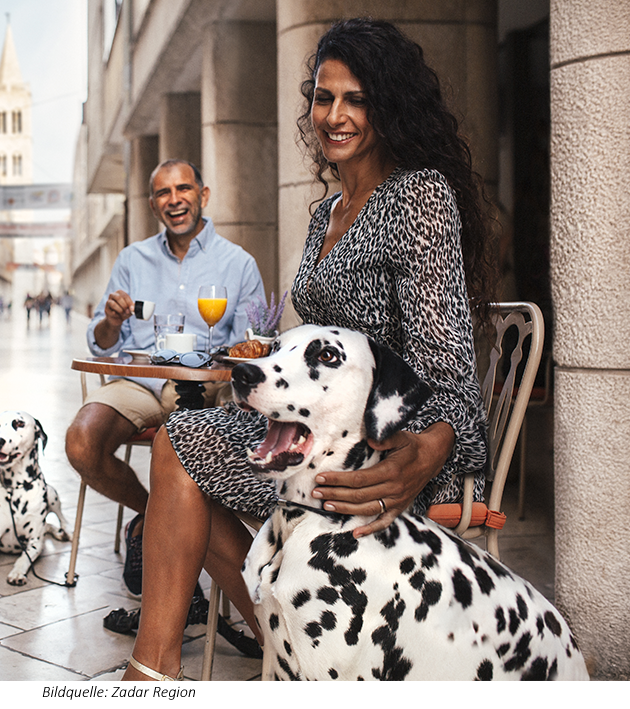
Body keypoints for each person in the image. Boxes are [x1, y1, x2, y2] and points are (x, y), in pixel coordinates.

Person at [121, 18, 497, 681]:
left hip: (383, 449)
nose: (336, 114)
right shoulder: (326, 212)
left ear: (388, 104)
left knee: (180, 456)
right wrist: (268, 352)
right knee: (176, 444)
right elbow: (322, 341)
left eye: (356, 98)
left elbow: (452, 382)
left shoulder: (418, 197)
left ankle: (210, 654)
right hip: (307, 433)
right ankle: (172, 664)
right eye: (324, 98)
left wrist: (427, 451)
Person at [65, 159, 264, 599]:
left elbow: (248, 348)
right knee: (82, 442)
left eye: (183, 189)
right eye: (163, 193)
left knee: (172, 448)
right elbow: (100, 340)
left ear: (203, 195)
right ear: (153, 204)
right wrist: (112, 322)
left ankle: (166, 536)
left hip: (207, 388)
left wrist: (223, 361)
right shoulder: (131, 260)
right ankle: (153, 514)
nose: (174, 200)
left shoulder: (238, 264)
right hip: (141, 381)